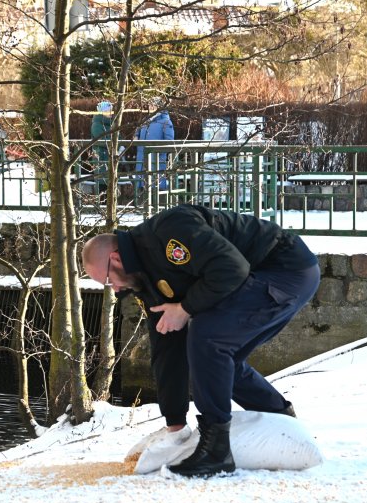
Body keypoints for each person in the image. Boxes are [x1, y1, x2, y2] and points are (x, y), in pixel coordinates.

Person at [81, 204, 320, 477]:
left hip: (285, 269)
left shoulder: (169, 231)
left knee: (207, 336)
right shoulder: (144, 281)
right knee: (218, 362)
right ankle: (281, 420)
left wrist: (184, 309)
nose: (115, 289)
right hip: (264, 278)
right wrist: (174, 423)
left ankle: (216, 451)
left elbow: (232, 268)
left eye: (109, 281)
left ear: (116, 258)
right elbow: (166, 348)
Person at [134, 105, 175, 190]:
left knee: (155, 186)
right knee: (141, 188)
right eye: (150, 105)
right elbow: (137, 133)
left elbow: (169, 142)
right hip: (141, 159)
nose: (151, 107)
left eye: (154, 105)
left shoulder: (166, 122)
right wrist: (136, 136)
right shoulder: (145, 120)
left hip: (156, 160)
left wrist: (159, 152)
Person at [90, 100, 113, 188]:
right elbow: (102, 140)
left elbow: (119, 137)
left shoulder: (111, 124)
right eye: (108, 110)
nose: (110, 112)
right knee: (103, 187)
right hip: (102, 159)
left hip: (109, 159)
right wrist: (117, 144)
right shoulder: (96, 125)